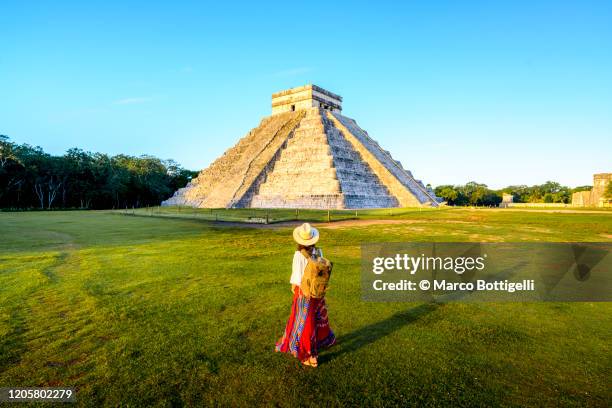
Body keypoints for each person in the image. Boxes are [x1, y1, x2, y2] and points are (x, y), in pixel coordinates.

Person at [275, 223, 336, 367]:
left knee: (304, 322)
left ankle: (308, 354)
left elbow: (296, 279)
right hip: (317, 292)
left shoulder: (298, 255)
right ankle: (319, 343)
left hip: (304, 293)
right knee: (315, 319)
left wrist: (293, 288)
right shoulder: (319, 252)